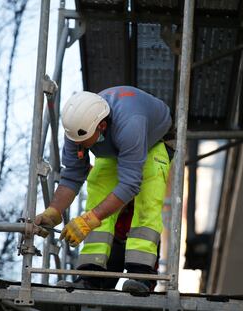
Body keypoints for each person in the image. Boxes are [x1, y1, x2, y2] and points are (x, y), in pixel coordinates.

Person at [35, 86, 172, 293]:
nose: (79, 147)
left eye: (83, 143)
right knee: (98, 187)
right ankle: (91, 275)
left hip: (156, 141)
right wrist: (53, 211)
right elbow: (72, 174)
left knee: (147, 201)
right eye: (76, 142)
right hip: (116, 148)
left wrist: (88, 220)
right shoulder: (76, 129)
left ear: (101, 126)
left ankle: (141, 276)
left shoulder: (130, 124)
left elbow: (129, 185)